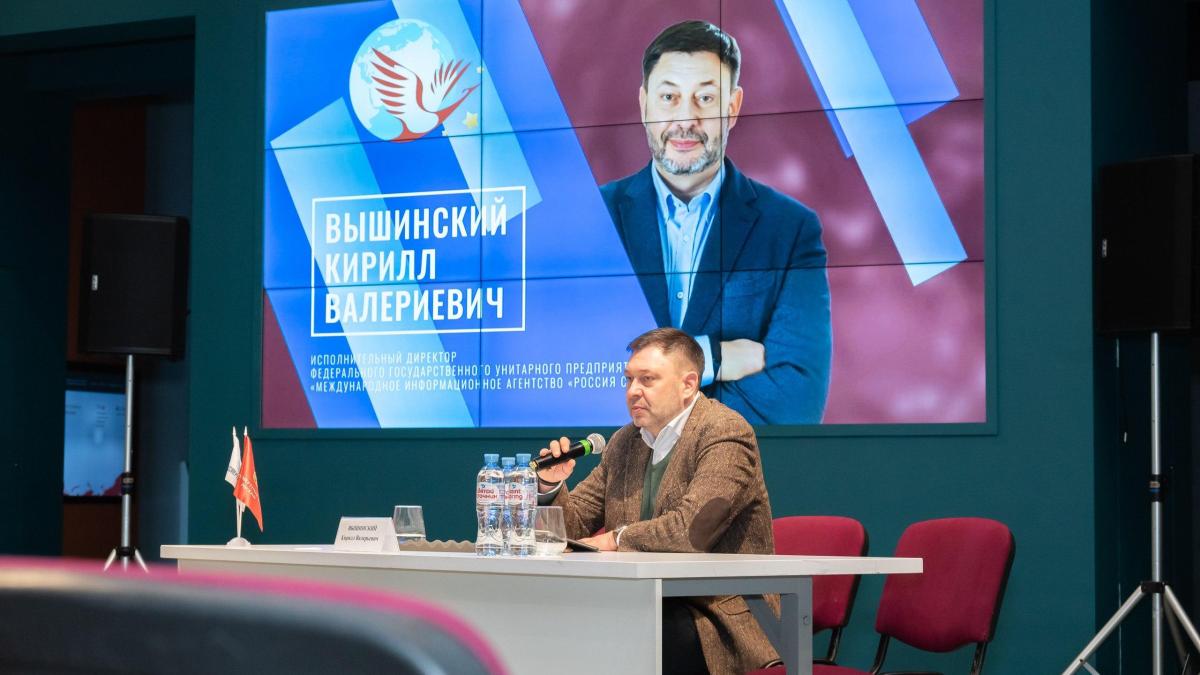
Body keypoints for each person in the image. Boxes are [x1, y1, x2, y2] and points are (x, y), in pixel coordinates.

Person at [600, 20, 832, 424]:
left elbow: (797, 399)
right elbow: (568, 378)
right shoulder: (593, 217)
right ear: (644, 104)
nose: (685, 119)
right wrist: (712, 357)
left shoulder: (790, 229)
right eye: (669, 97)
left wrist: (655, 401)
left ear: (733, 107)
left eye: (705, 98)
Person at [536, 328, 778, 675]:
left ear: (688, 384)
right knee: (563, 623)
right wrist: (551, 484)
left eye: (647, 379)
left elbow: (692, 530)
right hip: (642, 600)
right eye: (629, 379)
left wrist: (617, 538)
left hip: (716, 615)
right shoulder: (625, 442)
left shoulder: (724, 431)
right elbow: (571, 532)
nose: (633, 391)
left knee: (626, 632)